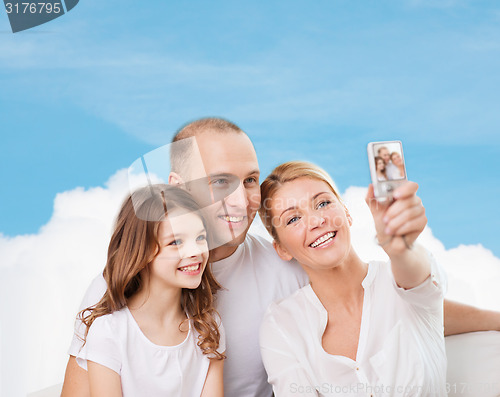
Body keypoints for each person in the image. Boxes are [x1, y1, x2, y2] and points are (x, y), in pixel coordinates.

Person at [62, 117, 500, 397]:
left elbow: (397, 305)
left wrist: (492, 318)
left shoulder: (286, 268)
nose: (239, 199)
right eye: (218, 183)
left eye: (250, 180)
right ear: (176, 186)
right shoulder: (121, 284)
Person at [259, 161, 446, 396]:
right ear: (282, 249)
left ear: (346, 212)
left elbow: (418, 276)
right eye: (293, 219)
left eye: (323, 203)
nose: (317, 221)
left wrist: (400, 248)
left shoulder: (401, 283)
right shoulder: (282, 323)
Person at [74, 184, 225, 396]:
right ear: (141, 251)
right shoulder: (110, 331)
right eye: (176, 242)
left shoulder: (207, 328)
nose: (195, 251)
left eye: (200, 237)